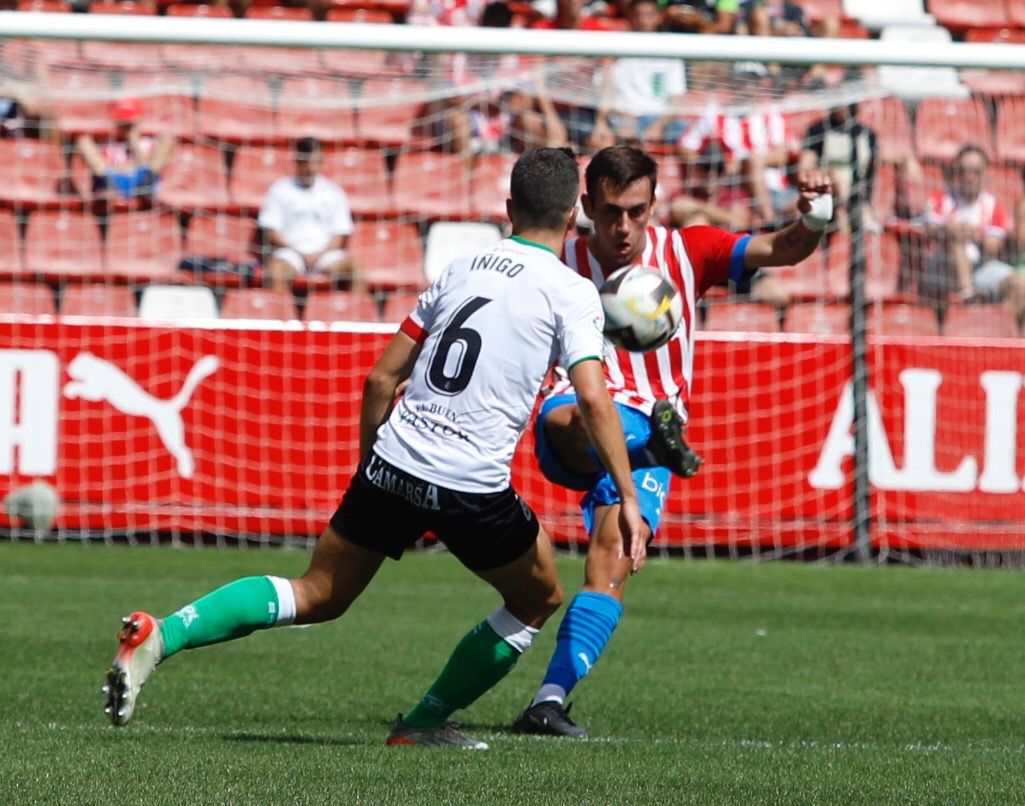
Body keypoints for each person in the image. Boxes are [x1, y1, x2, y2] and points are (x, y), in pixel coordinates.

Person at [102, 147, 645, 750]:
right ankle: (420, 723)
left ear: (509, 207)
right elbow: (595, 401)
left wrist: (373, 471)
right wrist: (625, 494)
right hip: (469, 482)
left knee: (315, 592)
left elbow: (380, 380)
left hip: (395, 456)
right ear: (576, 216)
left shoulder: (460, 269)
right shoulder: (572, 292)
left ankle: (163, 633)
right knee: (538, 596)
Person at [511, 144, 832, 738]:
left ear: (654, 205)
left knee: (610, 564)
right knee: (573, 421)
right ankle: (644, 444)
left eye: (636, 211)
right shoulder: (556, 261)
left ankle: (549, 700)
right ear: (585, 206)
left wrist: (816, 213)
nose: (623, 226)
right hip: (577, 415)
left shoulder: (690, 250)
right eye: (610, 212)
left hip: (650, 424)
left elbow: (784, 249)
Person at [917, 144, 1025, 317]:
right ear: (956, 172)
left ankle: (999, 328)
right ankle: (968, 299)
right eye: (964, 170)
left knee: (1019, 285)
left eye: (975, 171)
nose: (969, 177)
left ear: (985, 173)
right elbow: (929, 227)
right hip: (942, 269)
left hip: (979, 268)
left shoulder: (993, 206)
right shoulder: (940, 198)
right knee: (953, 239)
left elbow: (993, 248)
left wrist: (974, 236)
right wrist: (948, 230)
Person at [258, 136, 363, 293]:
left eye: (316, 162)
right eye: (305, 162)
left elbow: (340, 235)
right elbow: (271, 232)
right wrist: (298, 251)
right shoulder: (280, 190)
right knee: (275, 272)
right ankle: (284, 316)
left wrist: (319, 254)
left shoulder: (334, 192)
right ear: (297, 161)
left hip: (325, 255)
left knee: (357, 273)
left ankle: (355, 316)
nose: (311, 168)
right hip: (291, 253)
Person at [588, 0, 687, 150]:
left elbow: (677, 101)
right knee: (613, 135)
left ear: (658, 17)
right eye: (638, 15)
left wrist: (658, 126)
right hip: (622, 116)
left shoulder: (670, 51)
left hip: (657, 117)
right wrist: (620, 116)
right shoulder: (614, 49)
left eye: (648, 15)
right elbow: (603, 95)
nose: (643, 20)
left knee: (688, 134)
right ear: (630, 17)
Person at [75, 97, 175, 205]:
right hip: (112, 182)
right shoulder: (108, 143)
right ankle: (111, 192)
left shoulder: (147, 143)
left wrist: (133, 141)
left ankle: (143, 191)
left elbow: (146, 165)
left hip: (142, 180)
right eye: (122, 124)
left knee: (167, 140)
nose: (125, 128)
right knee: (84, 142)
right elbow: (105, 167)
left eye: (129, 125)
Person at [799, 103, 879, 235]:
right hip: (828, 183)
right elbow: (805, 166)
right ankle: (844, 212)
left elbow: (872, 172)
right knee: (839, 176)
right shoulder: (819, 129)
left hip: (858, 186)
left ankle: (860, 211)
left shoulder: (866, 133)